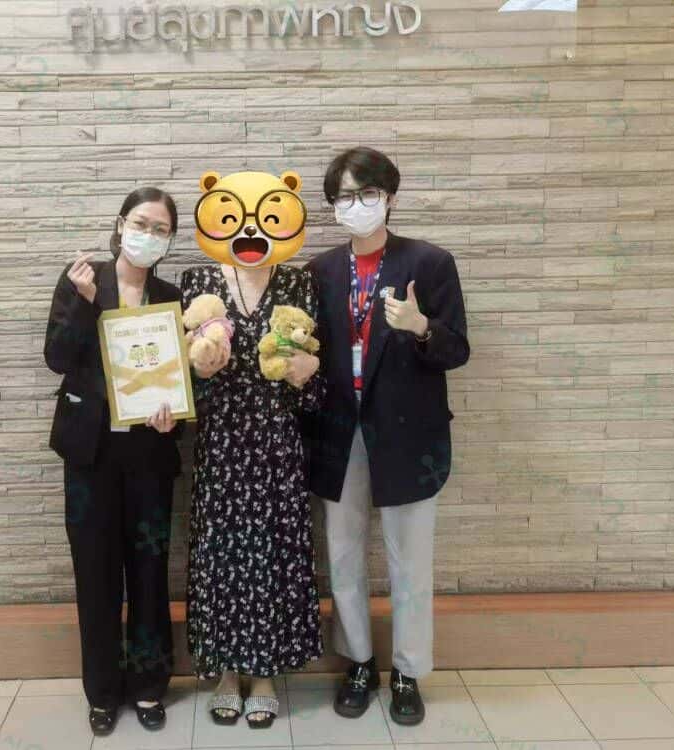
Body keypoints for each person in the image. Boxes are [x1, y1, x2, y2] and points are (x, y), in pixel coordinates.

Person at [302, 147, 470, 726]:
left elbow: (457, 349)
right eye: (344, 196)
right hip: (337, 429)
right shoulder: (320, 271)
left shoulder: (431, 262)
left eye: (367, 193)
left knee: (410, 559)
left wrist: (421, 327)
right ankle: (357, 662)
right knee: (344, 553)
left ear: (390, 196)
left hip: (408, 433)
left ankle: (406, 671)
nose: (357, 205)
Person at [183, 170, 325, 729]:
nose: (249, 230)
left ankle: (264, 674)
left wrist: (306, 375)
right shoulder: (197, 281)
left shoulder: (298, 283)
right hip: (220, 441)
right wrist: (200, 373)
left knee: (272, 552)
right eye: (234, 217)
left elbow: (316, 379)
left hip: (277, 443)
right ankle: (225, 671)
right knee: (222, 553)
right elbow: (180, 375)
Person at [43, 187, 184, 737]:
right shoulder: (82, 279)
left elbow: (181, 378)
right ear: (121, 224)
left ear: (169, 240)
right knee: (96, 576)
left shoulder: (170, 296)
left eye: (160, 229)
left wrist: (176, 417)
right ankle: (102, 692)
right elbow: (57, 357)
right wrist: (83, 302)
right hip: (90, 455)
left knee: (149, 573)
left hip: (149, 455)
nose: (148, 235)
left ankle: (149, 686)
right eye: (141, 223)